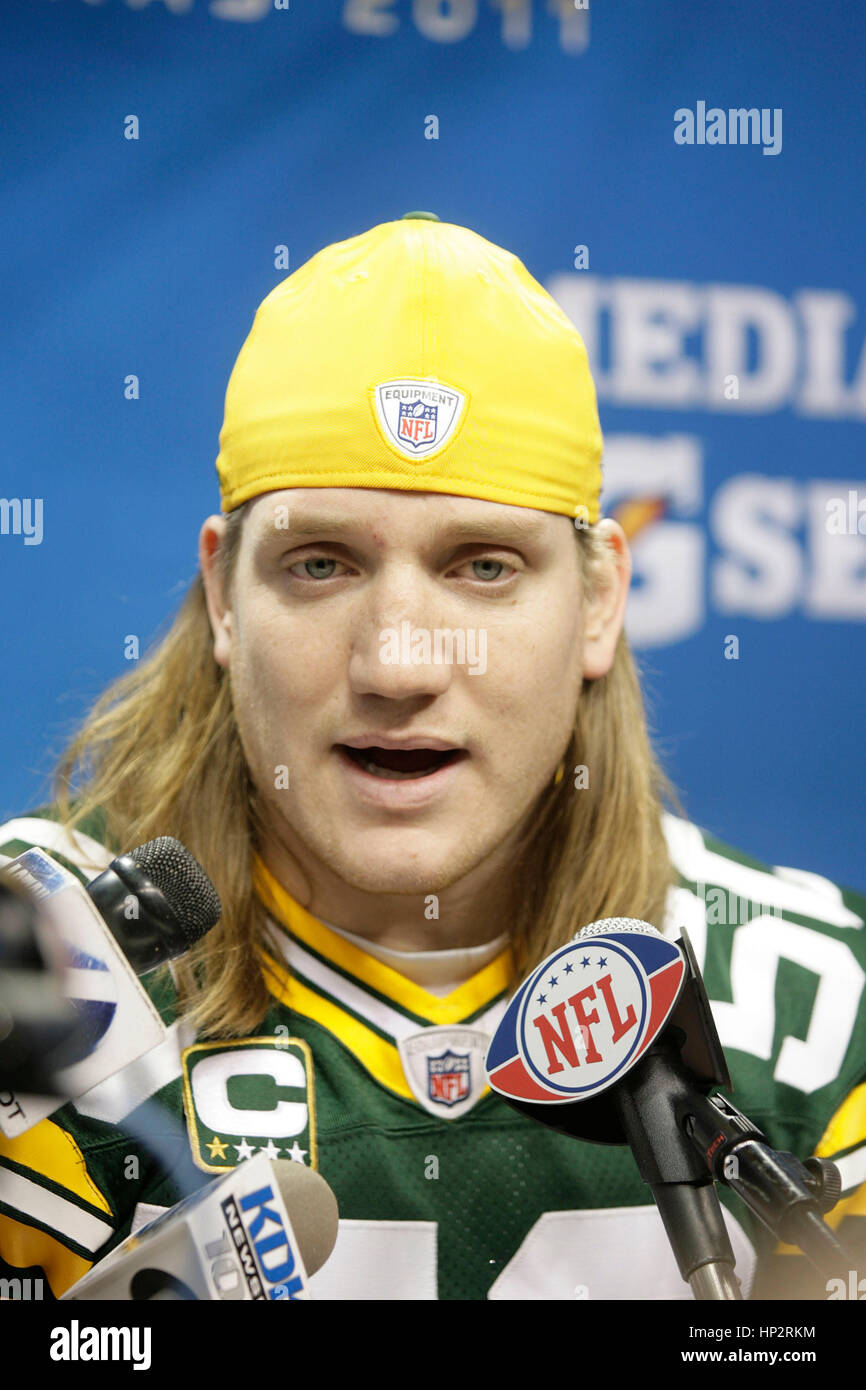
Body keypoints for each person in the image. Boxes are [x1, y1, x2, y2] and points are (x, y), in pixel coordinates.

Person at [0, 213, 864, 1301]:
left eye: (482, 567)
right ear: (223, 597)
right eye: (319, 563)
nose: (400, 661)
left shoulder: (826, 1030)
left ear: (598, 601)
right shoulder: (27, 978)